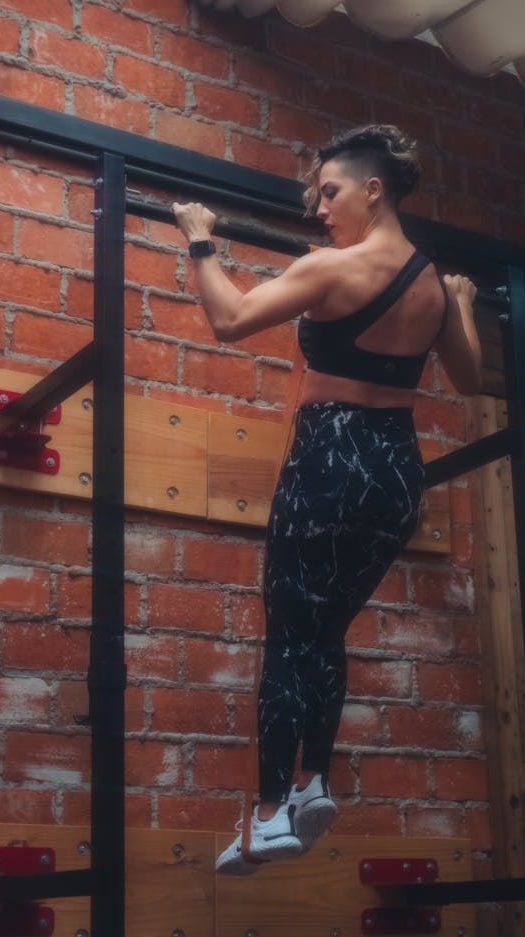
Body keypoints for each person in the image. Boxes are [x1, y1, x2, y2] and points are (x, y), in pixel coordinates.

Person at [172, 124, 481, 874]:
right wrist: (466, 303)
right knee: (325, 632)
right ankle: (312, 783)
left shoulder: (331, 269)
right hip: (395, 472)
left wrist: (200, 237)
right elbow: (473, 380)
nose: (321, 208)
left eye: (332, 192)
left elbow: (229, 318)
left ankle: (271, 810)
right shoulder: (437, 286)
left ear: (374, 189)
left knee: (288, 633)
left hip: (330, 461)